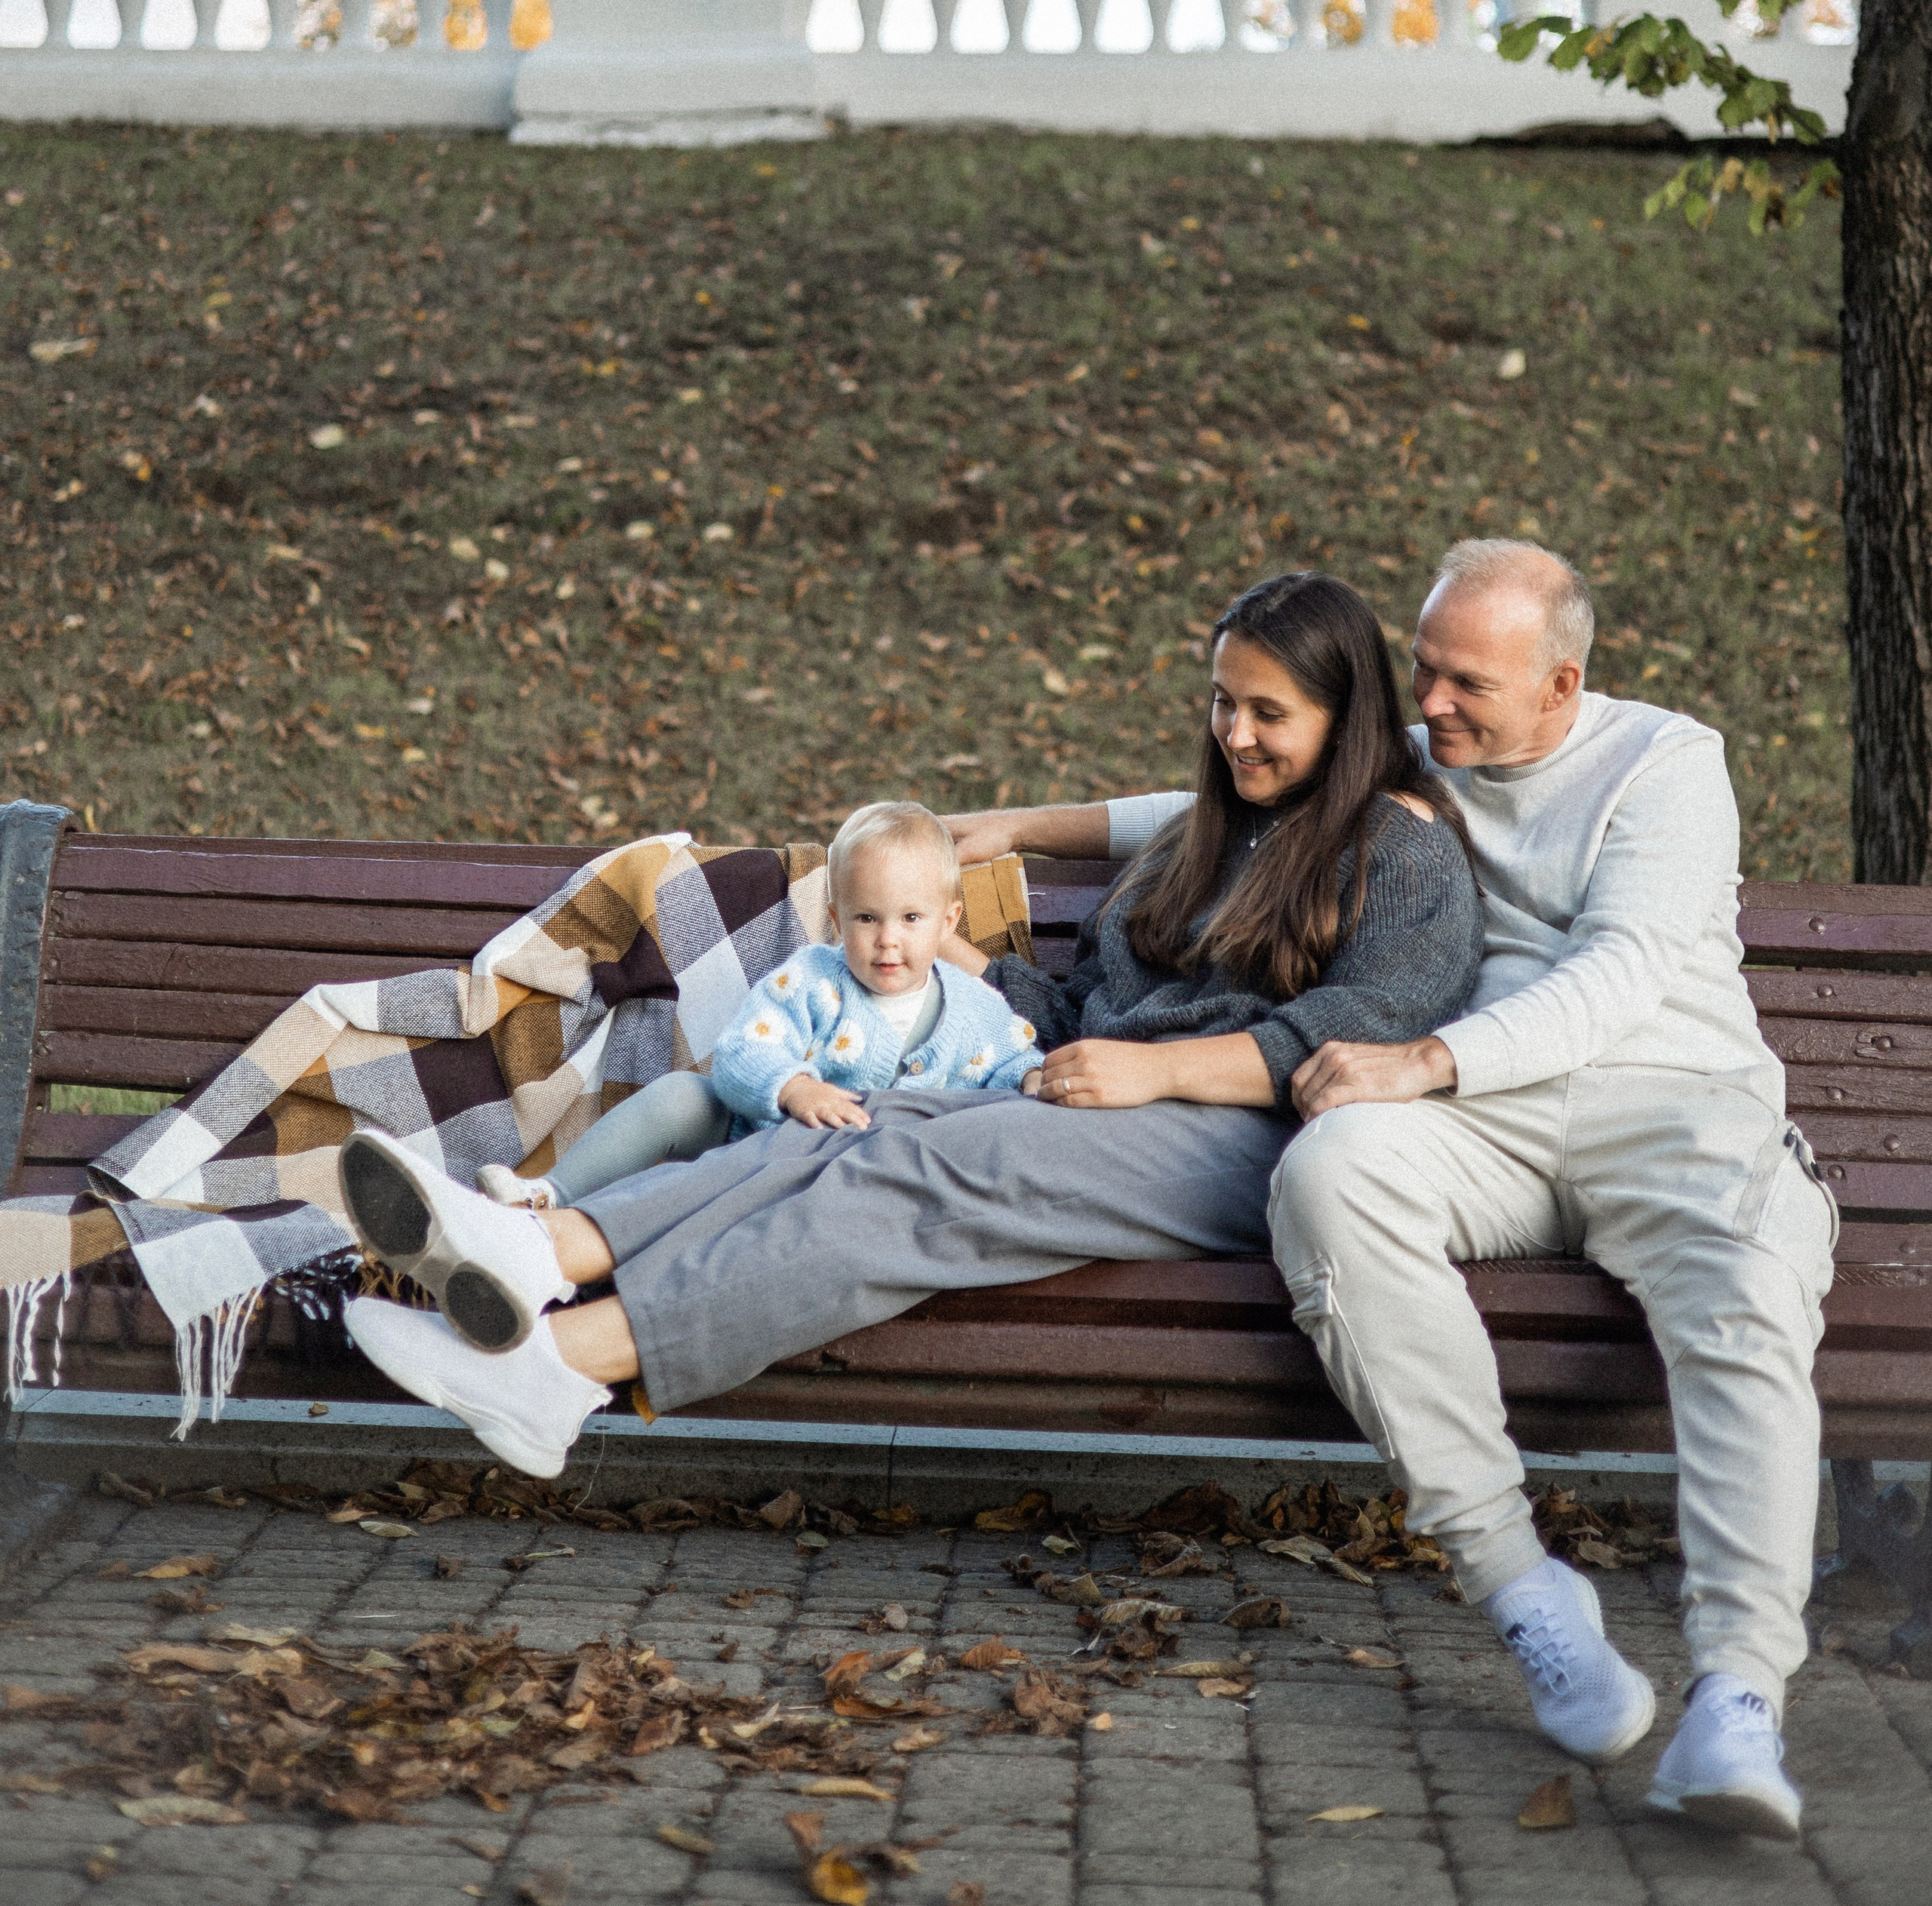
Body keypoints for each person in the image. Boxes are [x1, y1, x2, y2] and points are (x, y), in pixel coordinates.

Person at [340, 567, 1484, 1495]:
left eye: (1267, 712)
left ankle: (566, 1363)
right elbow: (1085, 1016)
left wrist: (1154, 1069)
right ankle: (538, 1252)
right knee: (858, 1122)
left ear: (1347, 718)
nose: (1235, 733)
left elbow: (1352, 1041)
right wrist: (962, 966)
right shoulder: (1214, 834)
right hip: (1103, 1106)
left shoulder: (1404, 854)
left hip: (1250, 1141)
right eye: (1222, 702)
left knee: (926, 1160)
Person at [1083, 539, 1832, 1846]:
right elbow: (1224, 802)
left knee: (1750, 1292)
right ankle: (1525, 1591)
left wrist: (1424, 1056)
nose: (1426, 707)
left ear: (1562, 684)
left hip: (1668, 1105)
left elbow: (1623, 970)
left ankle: (1739, 1694)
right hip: (1484, 1121)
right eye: (1421, 671)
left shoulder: (1667, 763)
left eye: (1464, 683)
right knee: (1330, 1172)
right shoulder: (1428, 756)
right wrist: (1009, 830)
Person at [450, 802, 1041, 1216]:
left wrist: (1034, 1077)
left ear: (949, 922)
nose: (889, 939)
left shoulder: (973, 1010)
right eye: (868, 918)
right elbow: (741, 1052)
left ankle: (588, 1235)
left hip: (868, 1188)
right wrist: (790, 1086)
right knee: (682, 1094)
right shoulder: (812, 979)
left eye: (911, 919)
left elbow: (1012, 1064)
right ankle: (549, 1196)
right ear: (836, 921)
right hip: (752, 1144)